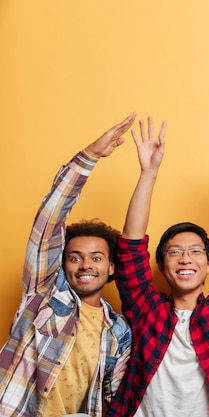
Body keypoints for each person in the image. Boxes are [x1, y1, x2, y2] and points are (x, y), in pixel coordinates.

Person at [106, 120, 209, 417]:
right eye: (174, 253)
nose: (185, 259)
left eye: (195, 252)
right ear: (162, 268)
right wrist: (148, 172)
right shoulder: (145, 309)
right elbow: (130, 248)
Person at [0, 115, 135, 417]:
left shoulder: (119, 332)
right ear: (63, 264)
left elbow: (112, 400)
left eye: (96, 258)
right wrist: (89, 158)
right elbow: (49, 221)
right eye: (75, 257)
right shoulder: (45, 294)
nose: (86, 264)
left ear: (112, 267)